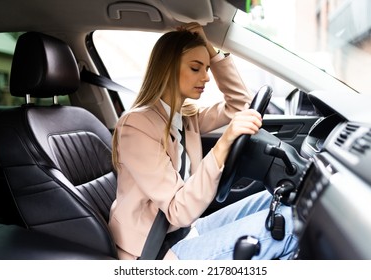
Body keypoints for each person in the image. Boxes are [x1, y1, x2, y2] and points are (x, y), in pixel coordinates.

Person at [109, 22, 297, 260]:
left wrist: (211, 51)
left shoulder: (187, 117)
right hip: (151, 249)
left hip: (183, 231)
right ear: (167, 69)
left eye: (207, 68)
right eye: (196, 68)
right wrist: (224, 143)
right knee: (290, 226)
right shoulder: (136, 125)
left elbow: (241, 104)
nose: (206, 77)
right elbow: (178, 210)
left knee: (278, 198)